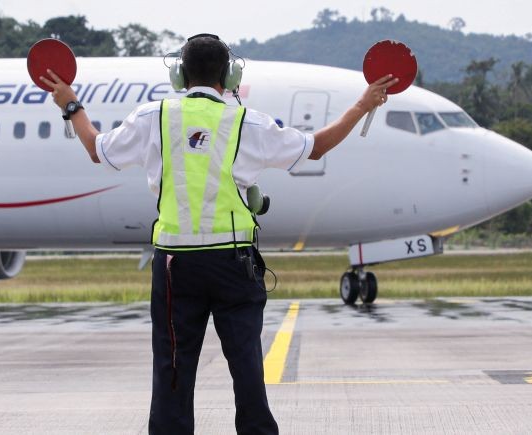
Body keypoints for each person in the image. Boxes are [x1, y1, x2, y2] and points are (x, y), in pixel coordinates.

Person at [41, 34, 397, 435]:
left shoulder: (153, 118)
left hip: (176, 266)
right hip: (234, 264)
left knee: (172, 369)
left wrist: (71, 104)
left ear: (179, 75)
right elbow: (315, 147)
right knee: (246, 367)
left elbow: (97, 149)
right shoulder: (247, 122)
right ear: (230, 74)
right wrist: (362, 105)